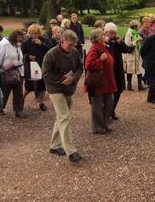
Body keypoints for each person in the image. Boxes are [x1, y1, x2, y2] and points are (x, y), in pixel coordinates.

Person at [42, 30, 83, 163]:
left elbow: (80, 68)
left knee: (61, 117)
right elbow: (46, 74)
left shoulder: (75, 52)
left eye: (74, 45)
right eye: (69, 45)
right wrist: (61, 79)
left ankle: (54, 146)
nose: (72, 48)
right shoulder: (51, 54)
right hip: (55, 89)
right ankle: (71, 151)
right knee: (65, 117)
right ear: (62, 41)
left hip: (69, 88)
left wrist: (74, 78)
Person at [84, 29, 117, 134]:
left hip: (107, 81)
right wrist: (100, 60)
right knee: (97, 105)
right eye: (103, 35)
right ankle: (97, 127)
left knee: (110, 102)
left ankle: (104, 124)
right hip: (98, 83)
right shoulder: (94, 49)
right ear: (97, 38)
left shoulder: (103, 47)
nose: (105, 36)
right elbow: (88, 65)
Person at [104, 23, 133, 120]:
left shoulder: (116, 41)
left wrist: (119, 41)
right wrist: (106, 42)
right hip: (108, 71)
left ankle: (112, 110)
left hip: (118, 70)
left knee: (118, 90)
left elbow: (126, 50)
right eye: (111, 32)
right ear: (106, 32)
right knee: (108, 92)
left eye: (114, 32)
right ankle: (106, 112)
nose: (113, 34)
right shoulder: (103, 41)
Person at [0, 30, 26, 118]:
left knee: (18, 92)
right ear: (14, 36)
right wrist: (2, 70)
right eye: (19, 37)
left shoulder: (17, 44)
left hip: (18, 71)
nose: (21, 39)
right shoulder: (3, 45)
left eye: (21, 37)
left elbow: (19, 57)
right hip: (5, 73)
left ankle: (18, 111)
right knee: (5, 92)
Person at [21, 24, 51, 111]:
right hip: (30, 67)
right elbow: (22, 54)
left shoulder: (45, 40)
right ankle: (21, 100)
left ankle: (41, 103)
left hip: (42, 65)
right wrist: (28, 57)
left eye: (36, 33)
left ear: (39, 33)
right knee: (28, 86)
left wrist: (41, 44)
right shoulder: (26, 42)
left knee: (42, 86)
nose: (34, 35)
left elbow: (50, 50)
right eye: (32, 33)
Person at [124, 20, 145, 91]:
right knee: (130, 69)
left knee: (139, 69)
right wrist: (136, 41)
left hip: (137, 53)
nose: (139, 27)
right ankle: (129, 85)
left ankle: (140, 85)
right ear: (135, 27)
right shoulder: (129, 33)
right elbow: (127, 43)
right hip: (131, 54)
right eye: (138, 26)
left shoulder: (136, 33)